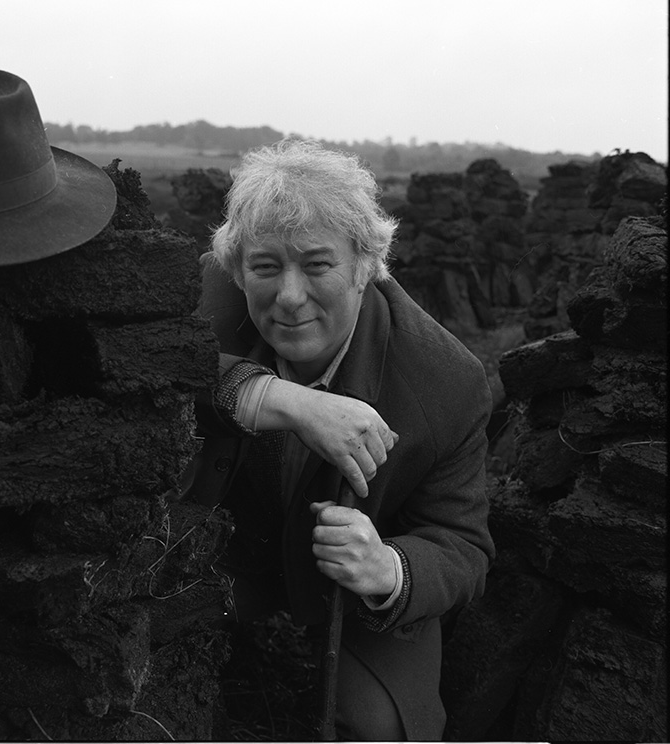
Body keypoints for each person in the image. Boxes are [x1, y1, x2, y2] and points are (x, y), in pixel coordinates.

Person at [182, 139, 495, 741]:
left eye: (318, 264)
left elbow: (462, 545)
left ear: (364, 264)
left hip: (343, 593)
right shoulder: (202, 300)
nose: (289, 296)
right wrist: (276, 397)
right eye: (265, 267)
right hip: (222, 556)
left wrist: (388, 568)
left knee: (385, 728)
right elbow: (135, 369)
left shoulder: (446, 382)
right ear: (236, 264)